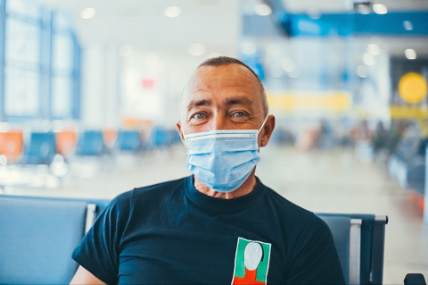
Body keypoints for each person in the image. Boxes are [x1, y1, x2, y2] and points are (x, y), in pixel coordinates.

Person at [70, 56, 345, 284]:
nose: (216, 129)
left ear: (266, 132)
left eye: (237, 114)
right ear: (182, 134)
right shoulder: (128, 213)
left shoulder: (302, 235)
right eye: (200, 115)